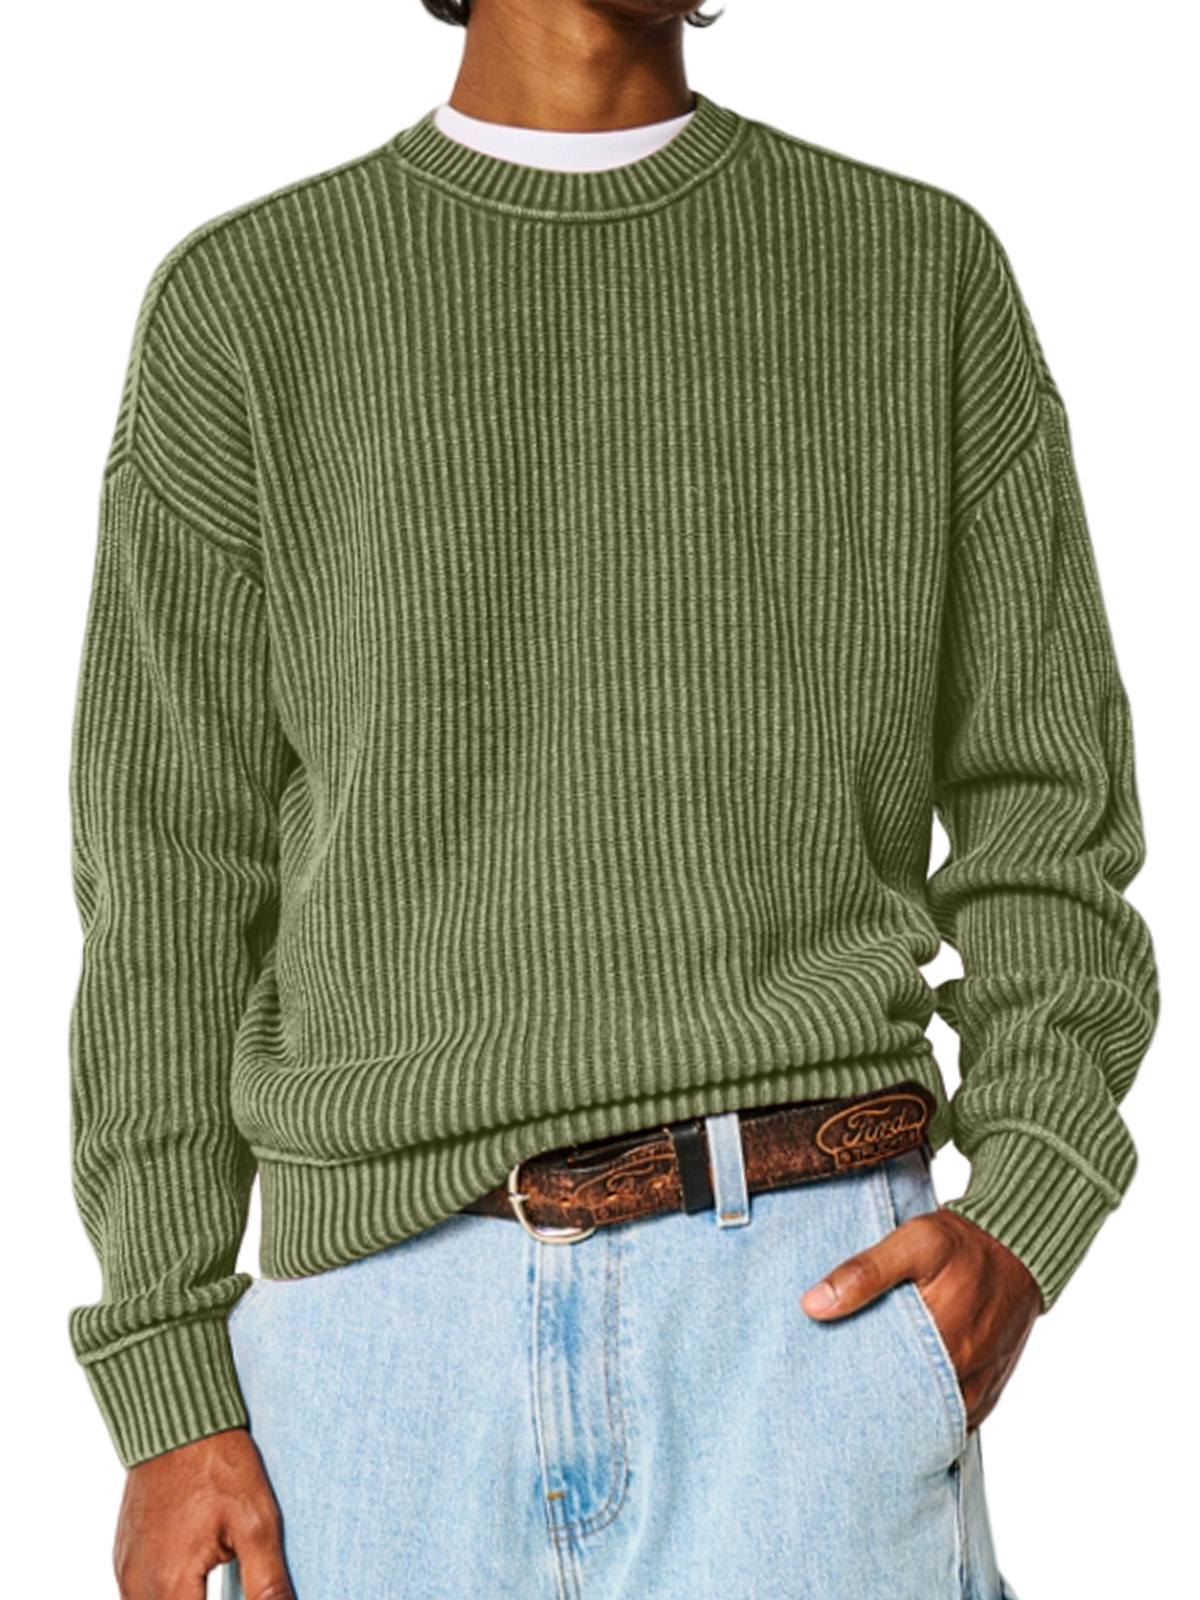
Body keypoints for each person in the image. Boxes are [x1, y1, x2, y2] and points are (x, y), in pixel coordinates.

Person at [66, 0, 1160, 1596]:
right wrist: (166, 1378)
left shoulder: (918, 275)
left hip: (809, 1323)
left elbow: (1047, 813)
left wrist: (1033, 1209)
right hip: (377, 1370)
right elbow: (168, 882)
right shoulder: (247, 308)